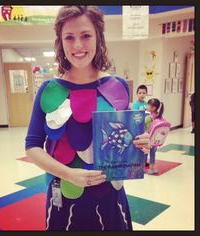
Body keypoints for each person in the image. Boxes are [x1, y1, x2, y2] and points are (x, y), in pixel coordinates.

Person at [25, 6, 150, 231]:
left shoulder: (118, 85)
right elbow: (32, 147)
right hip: (64, 196)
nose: (78, 45)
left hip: (111, 195)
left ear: (98, 37)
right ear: (60, 42)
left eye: (86, 35)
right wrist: (69, 174)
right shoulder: (48, 90)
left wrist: (140, 142)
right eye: (69, 37)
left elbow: (125, 134)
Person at [145, 98, 164, 175]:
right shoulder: (159, 116)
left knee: (145, 153)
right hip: (155, 139)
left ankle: (143, 168)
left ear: (153, 107)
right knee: (152, 154)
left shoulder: (149, 117)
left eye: (148, 105)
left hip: (148, 138)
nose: (147, 106)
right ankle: (151, 169)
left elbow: (144, 124)